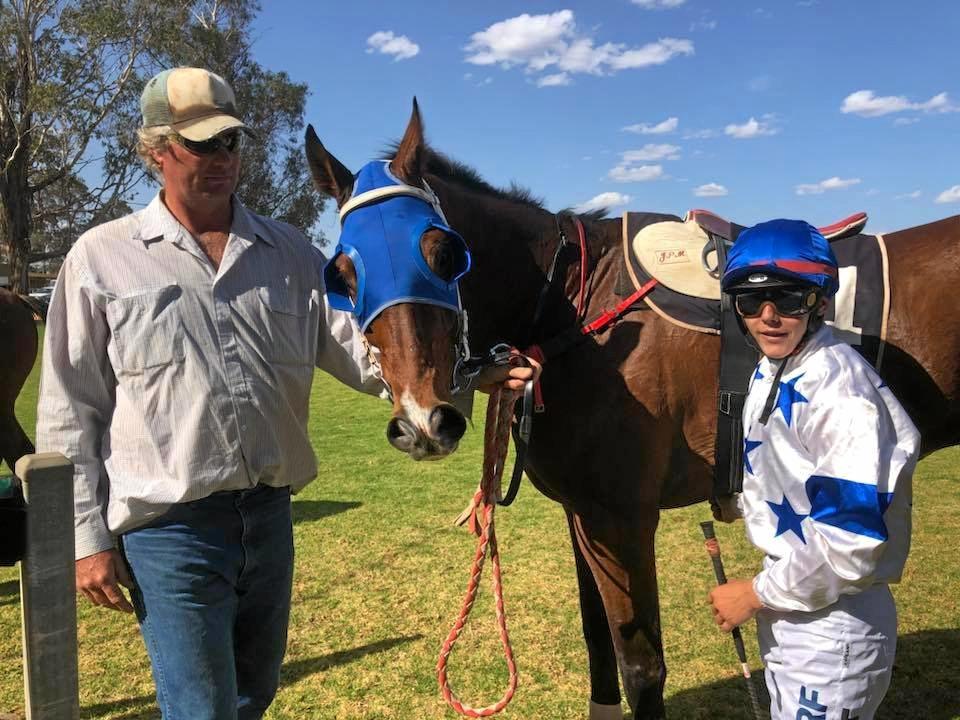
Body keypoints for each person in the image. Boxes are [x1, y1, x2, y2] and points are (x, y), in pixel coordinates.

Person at [36, 67, 536, 720]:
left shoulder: (292, 253)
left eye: (231, 142)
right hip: (171, 534)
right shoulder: (101, 259)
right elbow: (69, 409)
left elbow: (361, 356)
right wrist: (86, 539)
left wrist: (466, 375)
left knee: (252, 698)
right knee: (201, 710)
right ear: (157, 150)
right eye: (201, 143)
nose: (222, 158)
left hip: (270, 523)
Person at [707, 219, 919, 720]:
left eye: (787, 299)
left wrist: (754, 595)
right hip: (797, 606)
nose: (768, 317)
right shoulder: (773, 365)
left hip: (834, 621)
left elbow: (852, 543)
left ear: (819, 301)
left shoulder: (841, 393)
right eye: (750, 302)